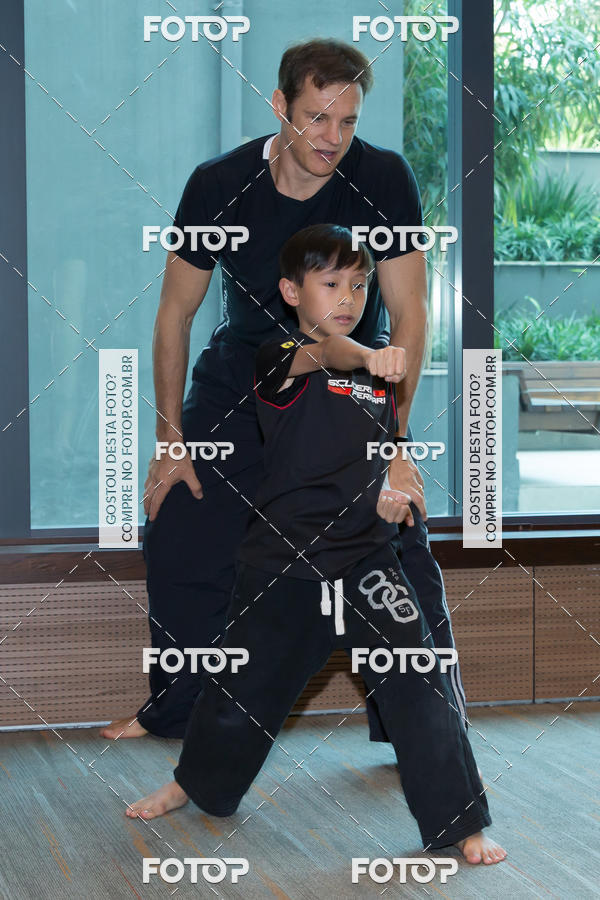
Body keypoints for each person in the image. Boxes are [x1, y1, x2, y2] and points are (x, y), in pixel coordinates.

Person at [102, 37, 466, 743]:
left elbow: (411, 313)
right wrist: (171, 441)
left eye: (347, 121)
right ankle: (181, 711)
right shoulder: (218, 184)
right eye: (316, 117)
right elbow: (174, 316)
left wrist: (395, 444)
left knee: (394, 534)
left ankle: (425, 727)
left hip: (349, 374)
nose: (332, 138)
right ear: (280, 106)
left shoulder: (384, 178)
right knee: (182, 518)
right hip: (245, 370)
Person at [127, 225, 506, 866]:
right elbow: (328, 351)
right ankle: (193, 784)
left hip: (365, 557)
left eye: (359, 284)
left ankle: (459, 822)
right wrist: (367, 356)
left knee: (420, 679)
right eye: (331, 284)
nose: (349, 297)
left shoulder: (378, 371)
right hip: (283, 563)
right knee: (240, 689)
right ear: (290, 291)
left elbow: (377, 452)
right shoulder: (277, 357)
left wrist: (393, 487)